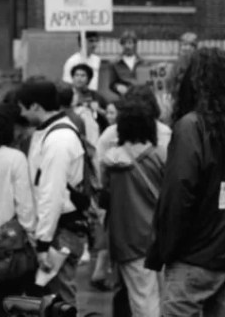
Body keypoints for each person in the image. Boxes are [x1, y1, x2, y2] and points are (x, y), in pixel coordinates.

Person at [146, 47, 225, 317]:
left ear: (194, 83)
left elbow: (178, 195)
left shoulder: (190, 126)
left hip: (193, 257)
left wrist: (164, 250)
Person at [17, 79, 87, 306]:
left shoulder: (59, 139)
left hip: (60, 232)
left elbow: (51, 194)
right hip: (57, 230)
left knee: (59, 303)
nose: (22, 114)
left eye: (23, 108)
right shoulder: (50, 132)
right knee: (52, 302)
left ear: (36, 106)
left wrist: (43, 245)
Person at [100, 99, 164, 317]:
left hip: (127, 238)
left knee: (141, 298)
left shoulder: (110, 160)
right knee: (164, 297)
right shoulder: (161, 155)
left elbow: (104, 197)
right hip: (161, 236)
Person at [0, 103, 36, 317]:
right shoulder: (15, 157)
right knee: (8, 303)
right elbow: (25, 205)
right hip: (6, 247)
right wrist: (34, 238)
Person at [109, 30, 145, 97]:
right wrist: (117, 87)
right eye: (124, 43)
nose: (127, 46)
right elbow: (112, 84)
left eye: (129, 43)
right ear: (121, 45)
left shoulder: (143, 62)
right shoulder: (115, 63)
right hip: (124, 98)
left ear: (134, 44)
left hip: (141, 98)